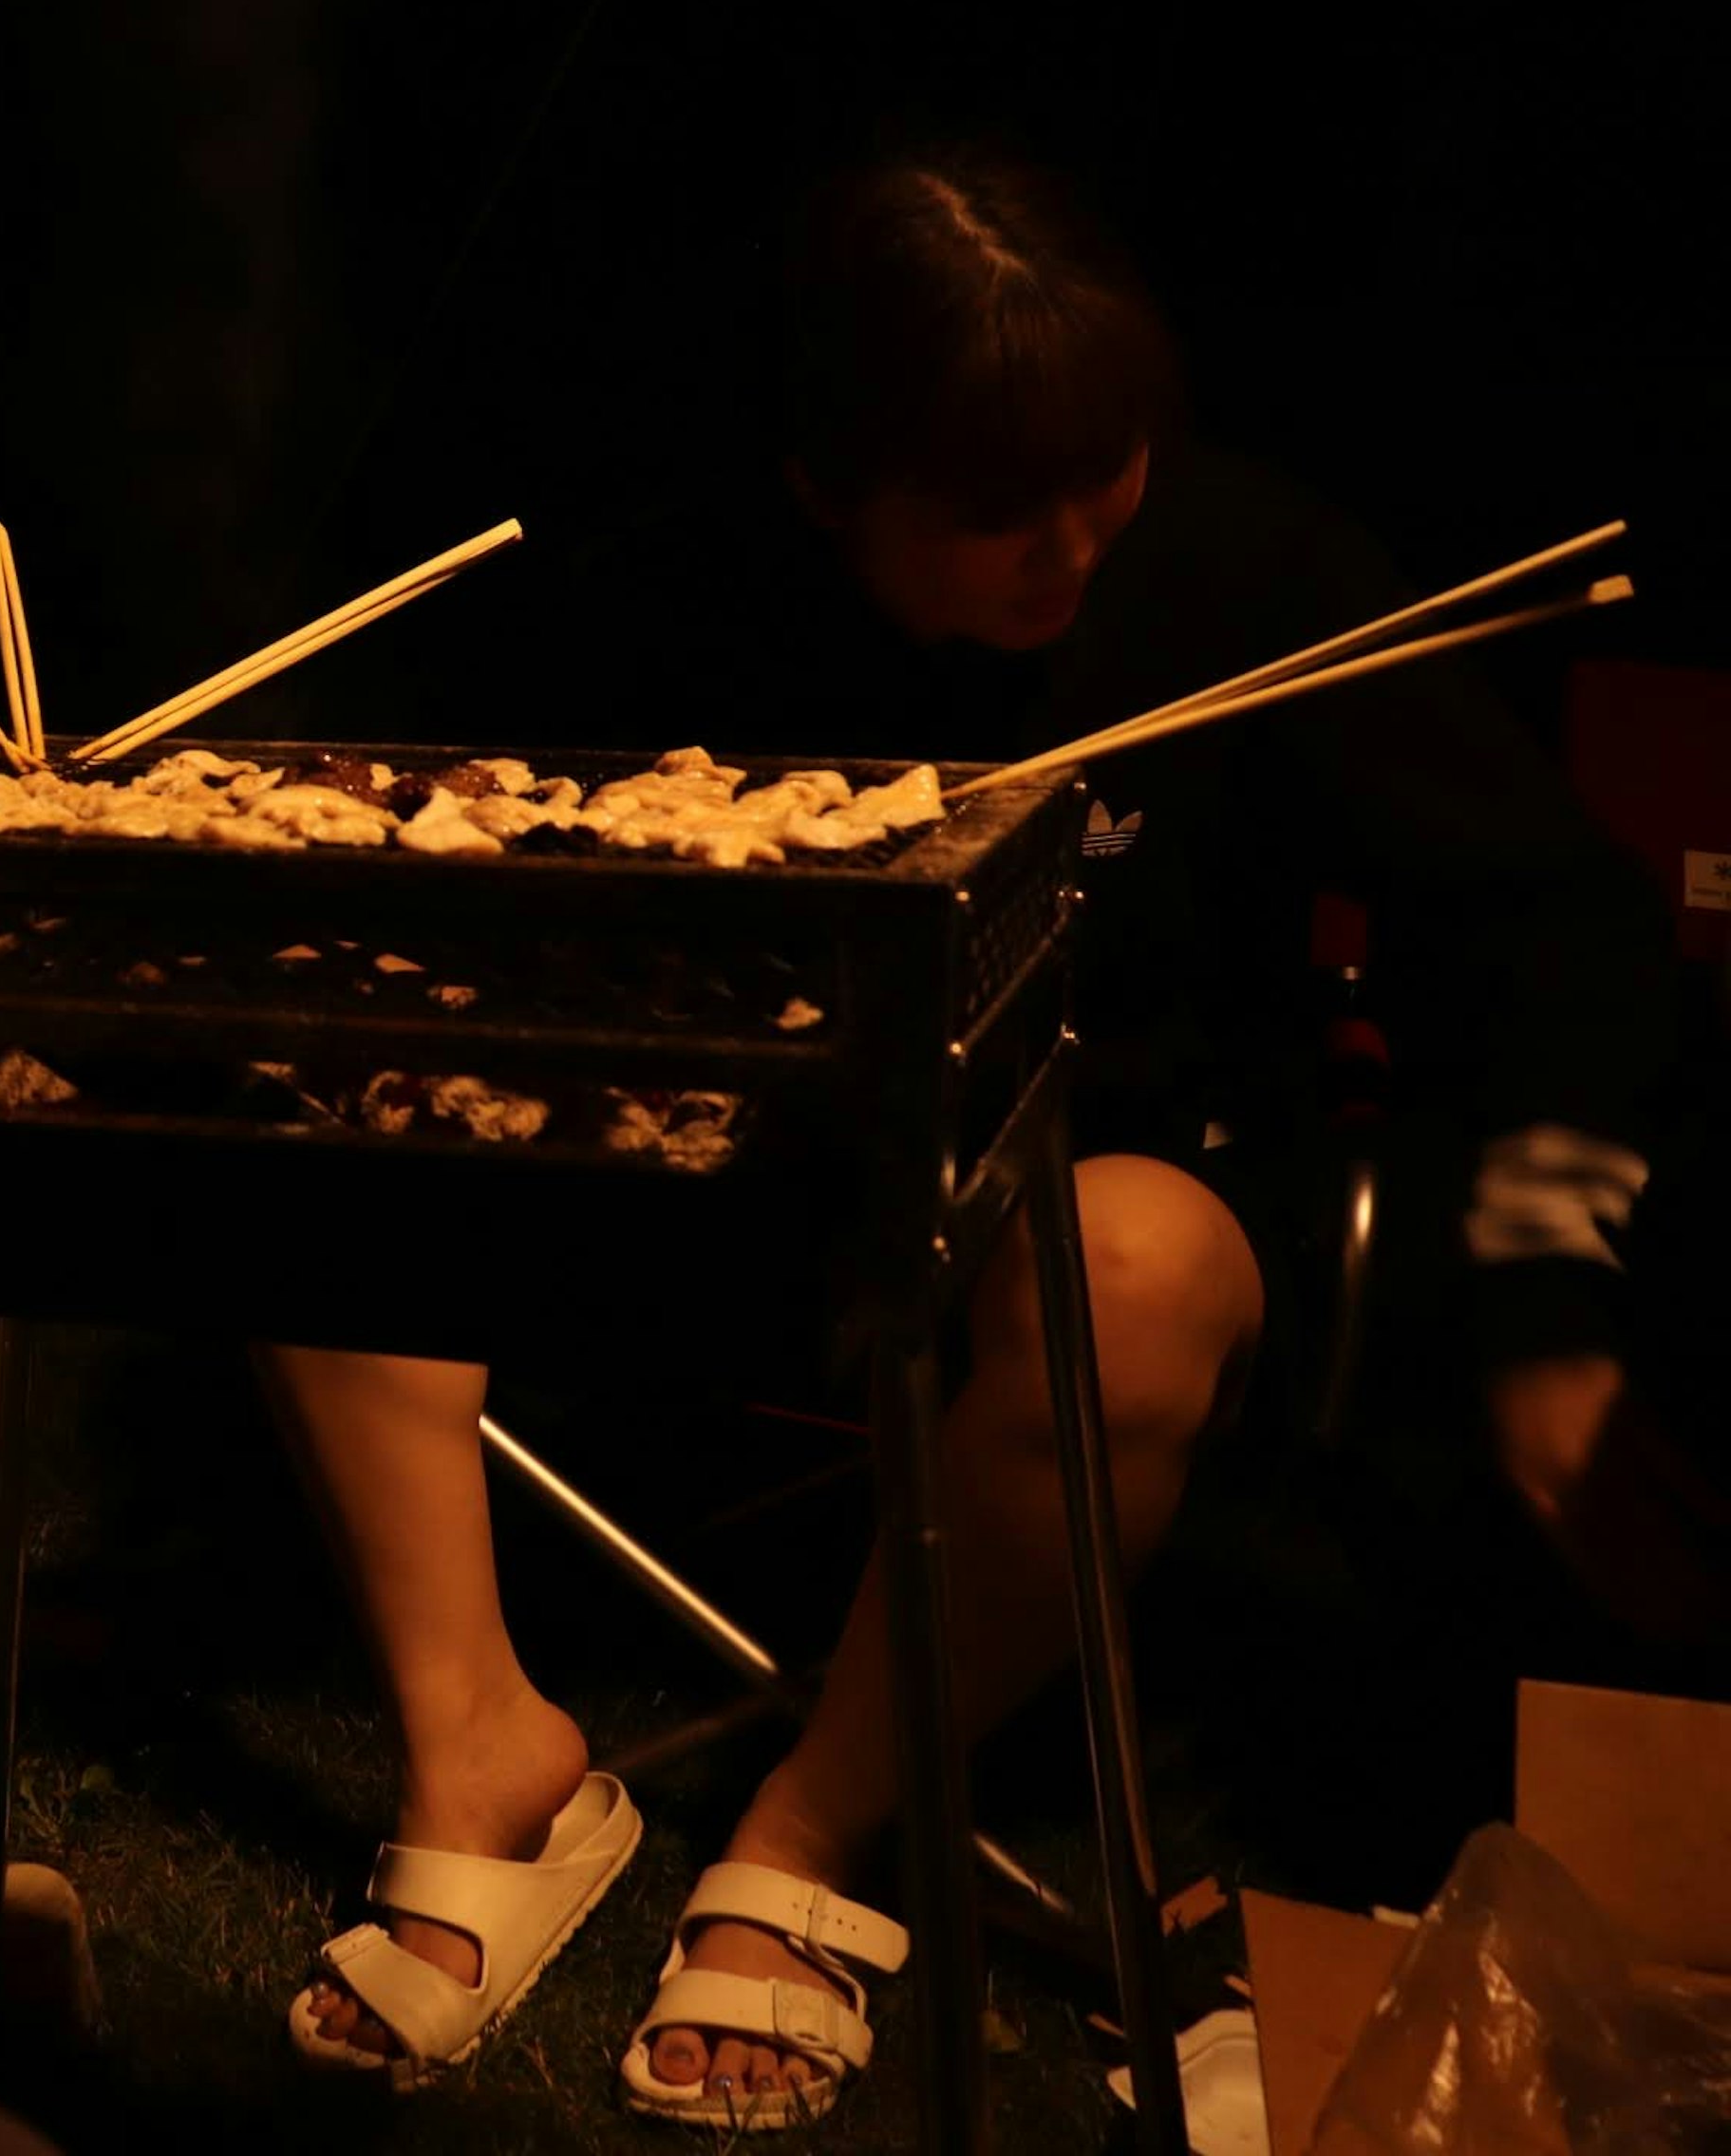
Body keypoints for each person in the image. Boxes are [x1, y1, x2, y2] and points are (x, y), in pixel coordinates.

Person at [272, 149, 1668, 2124]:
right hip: (751, 1178)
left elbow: (1574, 931)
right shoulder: (685, 583)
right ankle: (476, 1736)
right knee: (337, 1108)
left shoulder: (1241, 567)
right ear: (832, 497)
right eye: (997, 521)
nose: (1072, 557)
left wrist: (1546, 1296)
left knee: (1124, 1256)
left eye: (1104, 482)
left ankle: (810, 1825)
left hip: (1125, 1183)